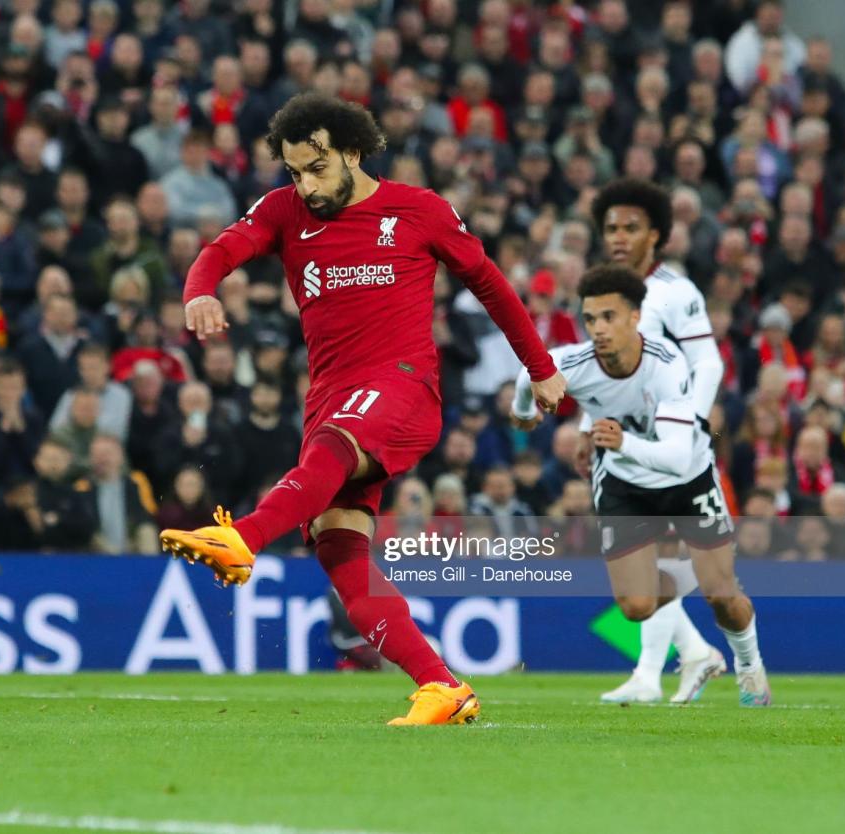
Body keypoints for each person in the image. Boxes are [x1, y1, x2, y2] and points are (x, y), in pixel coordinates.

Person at [159, 93, 567, 726]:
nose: (306, 184)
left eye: (317, 168)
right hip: (331, 395)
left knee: (334, 449)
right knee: (337, 546)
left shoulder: (418, 211)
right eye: (294, 171)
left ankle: (243, 536)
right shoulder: (284, 211)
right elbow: (218, 251)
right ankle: (442, 686)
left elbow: (489, 283)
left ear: (352, 151)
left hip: (402, 387)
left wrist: (540, 368)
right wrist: (199, 291)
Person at [513, 265, 770, 707]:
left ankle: (749, 667)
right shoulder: (574, 362)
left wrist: (623, 441)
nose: (598, 329)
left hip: (685, 479)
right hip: (625, 485)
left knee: (724, 598)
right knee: (635, 605)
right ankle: (696, 640)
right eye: (590, 319)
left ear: (635, 317)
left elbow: (673, 456)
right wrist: (523, 412)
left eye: (609, 317)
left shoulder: (667, 367)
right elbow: (530, 373)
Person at [589, 177, 730, 704]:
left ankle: (655, 673)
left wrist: (690, 421)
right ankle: (689, 656)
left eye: (631, 228)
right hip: (620, 444)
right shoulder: (603, 289)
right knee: (644, 566)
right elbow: (606, 373)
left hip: (669, 446)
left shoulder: (675, 291)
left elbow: (708, 361)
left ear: (656, 234)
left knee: (659, 556)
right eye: (611, 229)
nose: (619, 237)